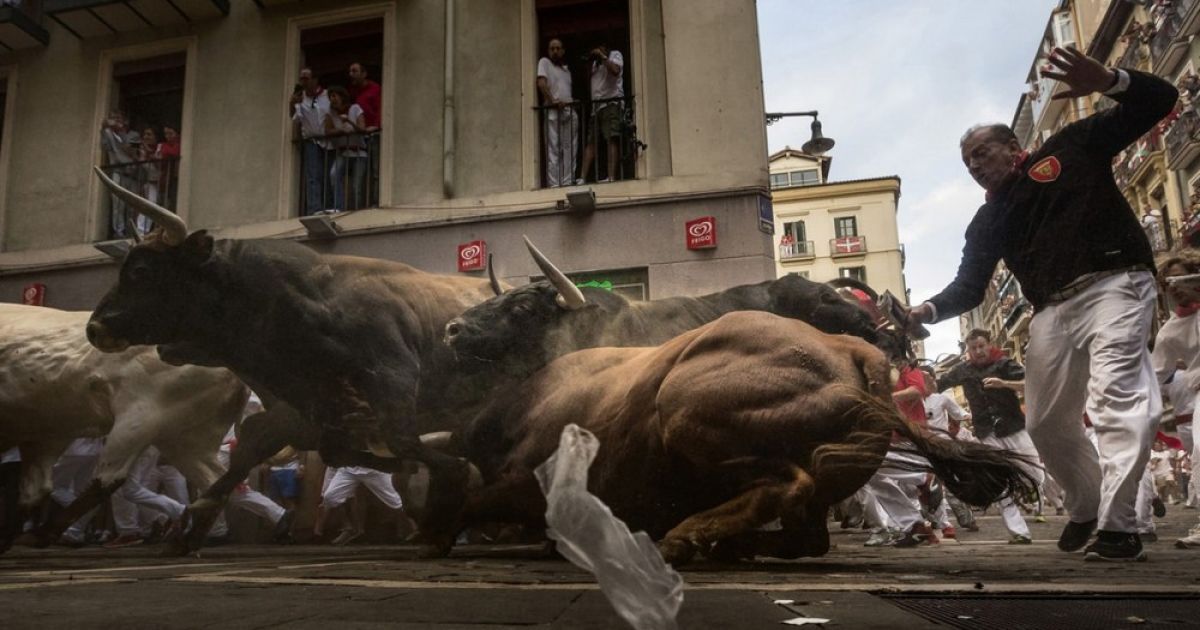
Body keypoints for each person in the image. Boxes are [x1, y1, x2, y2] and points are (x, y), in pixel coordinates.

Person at [907, 47, 1177, 561]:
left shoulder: (1071, 147)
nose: (974, 166)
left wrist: (1110, 78)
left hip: (1115, 283)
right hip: (1051, 311)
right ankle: (1087, 507)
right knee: (1047, 423)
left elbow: (1159, 100)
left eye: (982, 153)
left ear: (1013, 147)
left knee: (1116, 397)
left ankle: (1120, 527)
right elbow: (968, 287)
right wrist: (926, 311)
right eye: (967, 162)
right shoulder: (987, 220)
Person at [936, 329, 1043, 544]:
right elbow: (936, 384)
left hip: (1013, 427)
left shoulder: (1004, 364)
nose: (978, 351)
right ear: (968, 350)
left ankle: (1030, 491)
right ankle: (1019, 531)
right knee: (998, 481)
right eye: (973, 348)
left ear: (989, 345)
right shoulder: (962, 370)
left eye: (981, 346)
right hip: (986, 432)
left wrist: (1004, 384)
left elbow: (1031, 383)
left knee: (1036, 473)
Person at [1150, 250, 1200, 548]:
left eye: (1181, 278)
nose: (1176, 287)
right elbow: (1155, 377)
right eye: (1169, 283)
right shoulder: (1169, 333)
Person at [317, 465, 416, 546]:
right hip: (350, 469)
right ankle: (349, 528)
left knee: (395, 502)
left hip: (375, 470)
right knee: (330, 497)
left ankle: (410, 528)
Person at [578, 42, 625, 184]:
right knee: (591, 142)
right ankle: (582, 178)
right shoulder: (595, 64)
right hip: (596, 108)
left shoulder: (614, 55)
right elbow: (587, 83)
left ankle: (611, 176)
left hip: (611, 104)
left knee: (611, 138)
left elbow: (616, 70)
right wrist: (591, 61)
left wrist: (603, 57)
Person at [536, 38, 578, 187]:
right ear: (548, 51)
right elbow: (541, 83)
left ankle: (567, 181)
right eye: (552, 48)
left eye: (557, 48)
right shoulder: (544, 63)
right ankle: (554, 184)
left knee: (569, 148)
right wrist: (552, 100)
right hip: (553, 111)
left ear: (563, 51)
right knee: (553, 148)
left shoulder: (566, 71)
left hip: (568, 111)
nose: (554, 51)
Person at [291, 67, 331, 215]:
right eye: (301, 79)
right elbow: (294, 116)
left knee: (328, 175)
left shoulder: (326, 95)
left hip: (329, 141)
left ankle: (328, 206)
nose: (303, 82)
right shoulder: (300, 97)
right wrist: (292, 102)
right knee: (314, 176)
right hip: (311, 141)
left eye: (306, 79)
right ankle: (315, 208)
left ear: (315, 80)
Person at [323, 86, 369, 212]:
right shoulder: (330, 114)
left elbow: (362, 129)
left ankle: (356, 211)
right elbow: (327, 131)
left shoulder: (355, 109)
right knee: (334, 174)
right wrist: (340, 130)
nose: (332, 99)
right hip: (343, 152)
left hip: (359, 152)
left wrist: (349, 121)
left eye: (334, 96)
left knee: (356, 185)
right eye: (330, 97)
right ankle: (339, 206)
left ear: (342, 97)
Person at [99, 112, 141, 238]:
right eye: (113, 119)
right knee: (118, 204)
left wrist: (119, 134)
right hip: (118, 172)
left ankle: (131, 232)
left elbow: (132, 150)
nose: (116, 122)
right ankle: (119, 231)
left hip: (131, 175)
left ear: (125, 121)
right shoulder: (108, 134)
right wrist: (104, 129)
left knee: (132, 206)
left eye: (119, 119)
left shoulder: (134, 135)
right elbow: (105, 146)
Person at [347, 62, 382, 206]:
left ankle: (375, 201)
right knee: (360, 171)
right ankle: (358, 203)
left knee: (375, 170)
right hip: (360, 135)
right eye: (350, 71)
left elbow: (380, 108)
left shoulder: (375, 89)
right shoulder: (352, 91)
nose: (351, 74)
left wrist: (376, 126)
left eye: (354, 71)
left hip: (373, 134)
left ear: (364, 73)